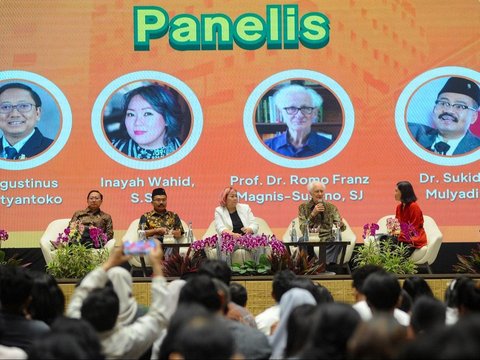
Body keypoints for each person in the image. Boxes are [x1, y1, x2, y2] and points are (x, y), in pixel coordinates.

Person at [66, 241, 170, 359]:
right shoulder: (126, 342)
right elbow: (159, 316)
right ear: (116, 314)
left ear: (83, 310)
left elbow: (81, 291)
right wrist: (156, 264)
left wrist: (109, 263)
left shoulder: (74, 327)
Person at [408, 76, 480, 155]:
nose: (449, 110)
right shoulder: (412, 134)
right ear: (434, 108)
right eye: (443, 103)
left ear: (473, 117)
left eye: (459, 106)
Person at [111, 83, 182, 159]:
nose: (137, 123)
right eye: (131, 114)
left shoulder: (186, 154)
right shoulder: (112, 151)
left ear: (167, 119)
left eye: (147, 113)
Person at [264, 83, 333, 157]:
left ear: (315, 113)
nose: (299, 115)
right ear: (281, 113)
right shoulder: (266, 148)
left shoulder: (331, 148)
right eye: (292, 108)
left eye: (305, 108)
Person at [0, 82, 53, 160]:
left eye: (23, 106)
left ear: (37, 113)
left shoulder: (53, 149)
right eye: (5, 107)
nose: (15, 114)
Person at [298, 181, 346, 264]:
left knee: (338, 242)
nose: (320, 194)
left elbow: (342, 228)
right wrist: (312, 214)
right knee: (301, 240)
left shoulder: (331, 207)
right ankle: (309, 266)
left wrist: (340, 224)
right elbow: (303, 228)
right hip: (310, 237)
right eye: (317, 191)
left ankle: (325, 265)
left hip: (327, 238)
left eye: (321, 191)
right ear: (311, 193)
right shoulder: (303, 207)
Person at [394, 181, 427, 256]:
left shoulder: (414, 207)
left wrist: (399, 234)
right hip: (402, 237)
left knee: (398, 253)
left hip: (413, 239)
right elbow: (396, 224)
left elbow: (413, 229)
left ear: (403, 192)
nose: (394, 194)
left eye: (396, 191)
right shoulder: (399, 207)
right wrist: (393, 231)